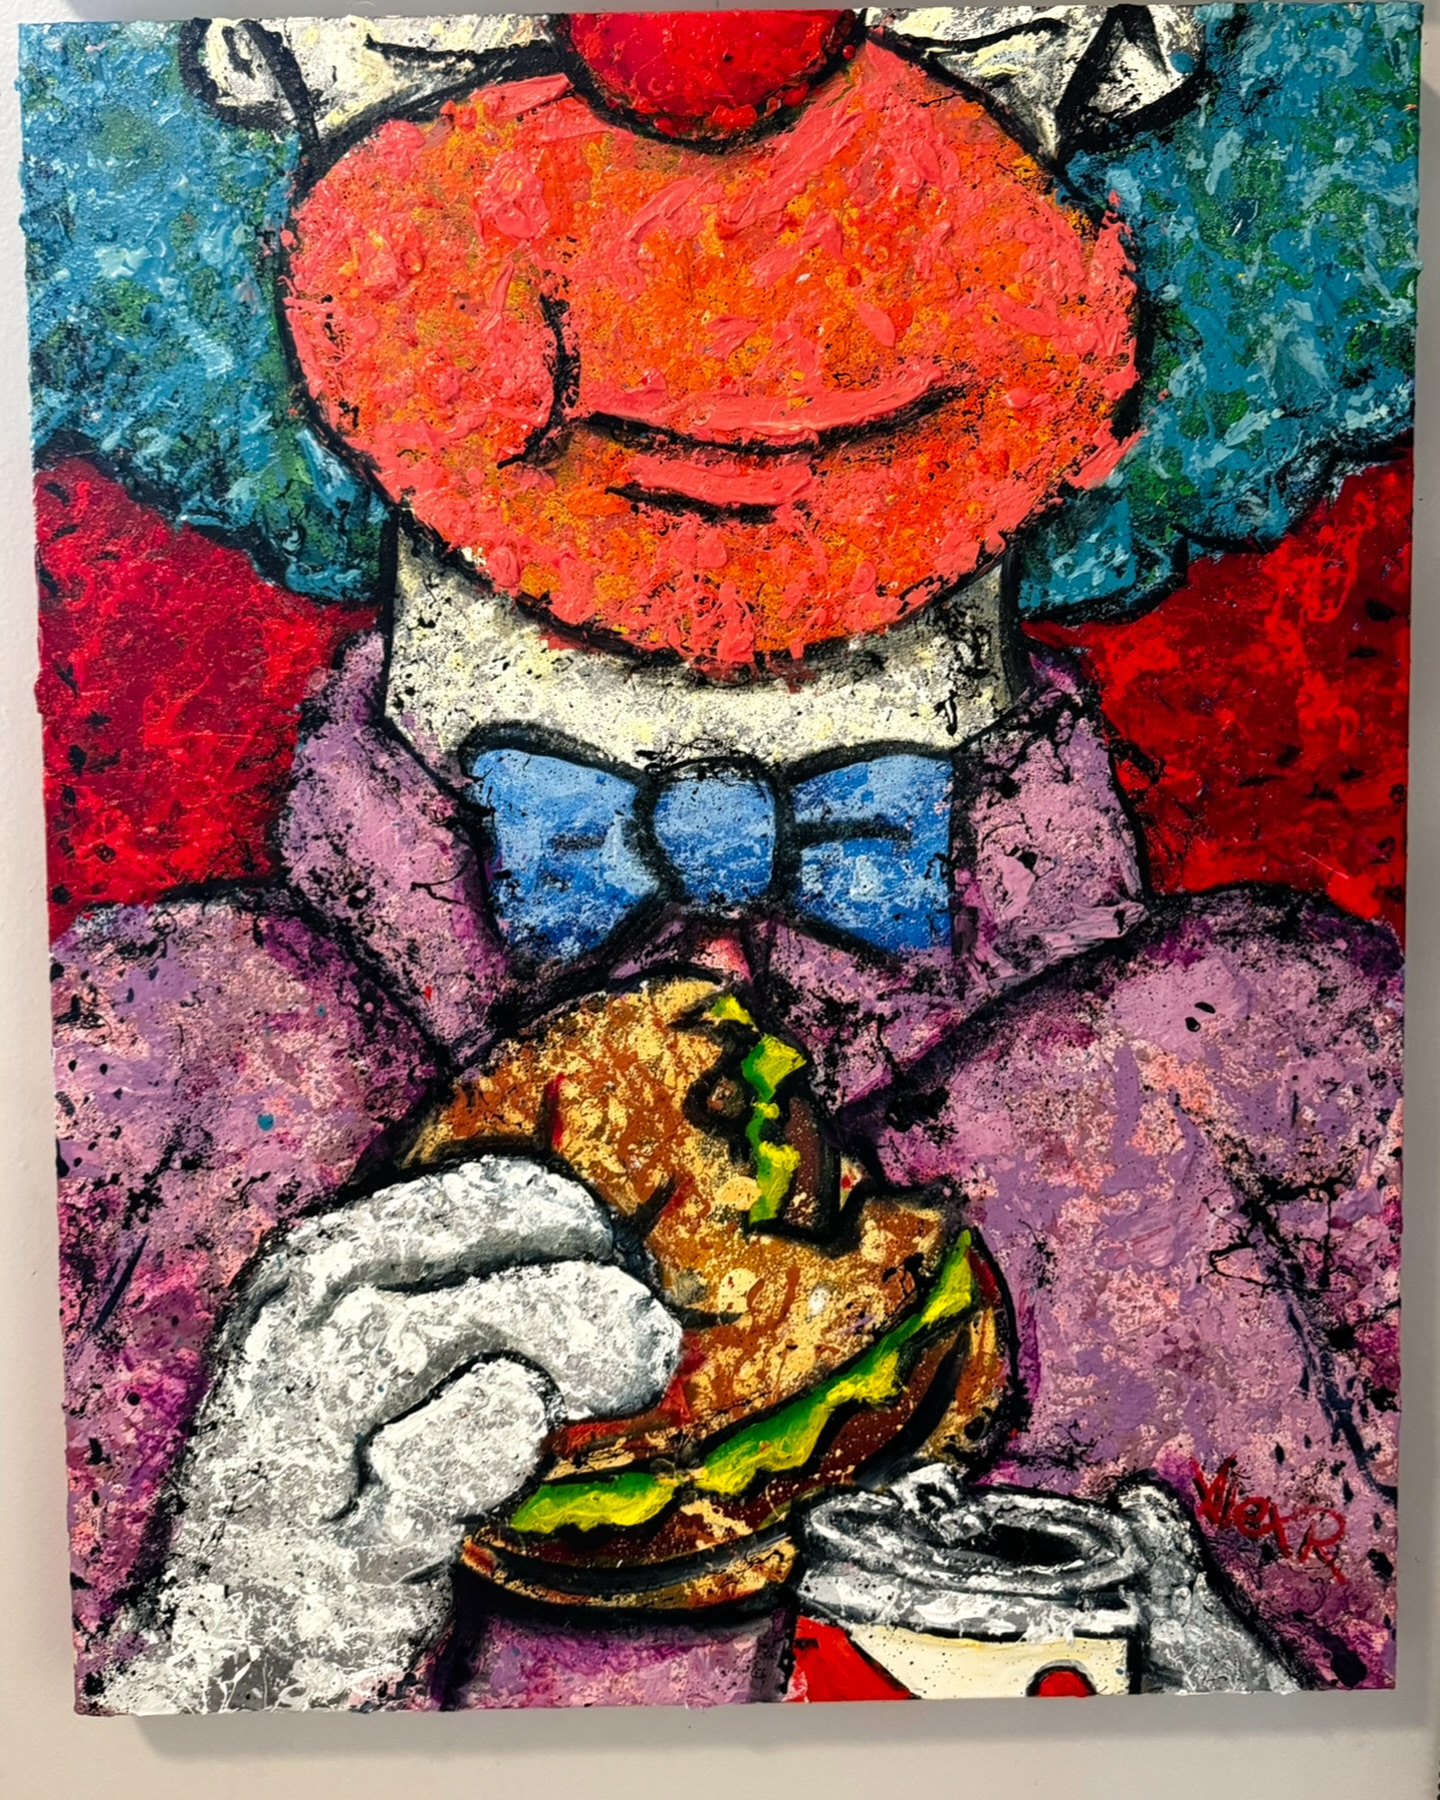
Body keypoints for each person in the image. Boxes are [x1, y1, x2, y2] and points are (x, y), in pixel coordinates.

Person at [54, 9, 1400, 1711]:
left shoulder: (1323, 1082)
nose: (715, 83)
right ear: (255, 44)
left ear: (1140, 37)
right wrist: (229, 1659)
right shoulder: (111, 1071)